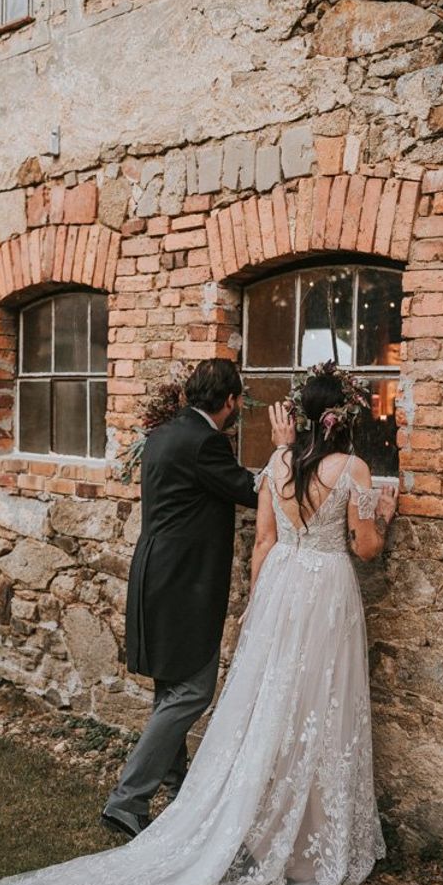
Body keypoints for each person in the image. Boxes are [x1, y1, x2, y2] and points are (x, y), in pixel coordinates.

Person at [0, 366, 398, 885]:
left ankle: (190, 793)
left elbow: (263, 539)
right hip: (304, 591)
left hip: (260, 585)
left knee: (249, 700)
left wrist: (262, 596)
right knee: (272, 701)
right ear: (346, 419)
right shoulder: (343, 469)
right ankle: (140, 798)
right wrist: (381, 509)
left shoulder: (195, 446)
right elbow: (364, 546)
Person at [102, 357, 295, 839]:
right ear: (230, 401)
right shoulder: (205, 442)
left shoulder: (163, 433)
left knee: (171, 687)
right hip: (183, 581)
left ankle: (178, 787)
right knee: (193, 690)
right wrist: (286, 457)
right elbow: (251, 491)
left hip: (154, 572)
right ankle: (127, 799)